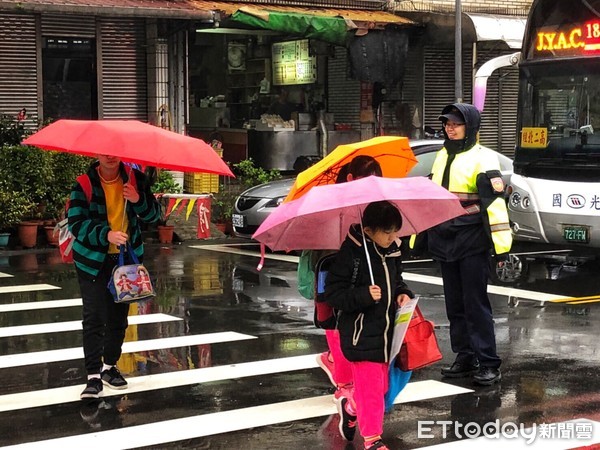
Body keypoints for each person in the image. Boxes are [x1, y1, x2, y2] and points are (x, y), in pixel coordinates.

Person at [428, 103, 512, 386]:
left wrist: (501, 248)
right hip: (444, 236)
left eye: (456, 123)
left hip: (471, 238)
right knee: (455, 304)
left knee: (475, 304)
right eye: (447, 123)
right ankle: (464, 356)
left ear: (471, 127)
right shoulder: (441, 155)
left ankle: (488, 362)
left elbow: (495, 205)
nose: (449, 128)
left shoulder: (484, 158)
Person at [68, 155, 161, 399]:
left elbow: (154, 216)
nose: (110, 156)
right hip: (92, 262)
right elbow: (76, 224)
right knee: (94, 316)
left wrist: (138, 200)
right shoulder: (84, 184)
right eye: (104, 151)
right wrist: (106, 234)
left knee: (119, 318)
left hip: (125, 260)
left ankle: (110, 367)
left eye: (114, 151)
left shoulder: (134, 180)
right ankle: (92, 376)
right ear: (96, 153)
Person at [325, 201, 414, 450]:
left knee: (383, 388)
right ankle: (372, 439)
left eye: (395, 231)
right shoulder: (351, 254)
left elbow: (397, 280)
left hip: (388, 333)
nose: (393, 237)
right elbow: (333, 294)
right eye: (387, 232)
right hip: (360, 334)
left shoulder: (392, 250)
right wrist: (364, 295)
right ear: (368, 230)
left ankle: (351, 406)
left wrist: (402, 293)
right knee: (372, 390)